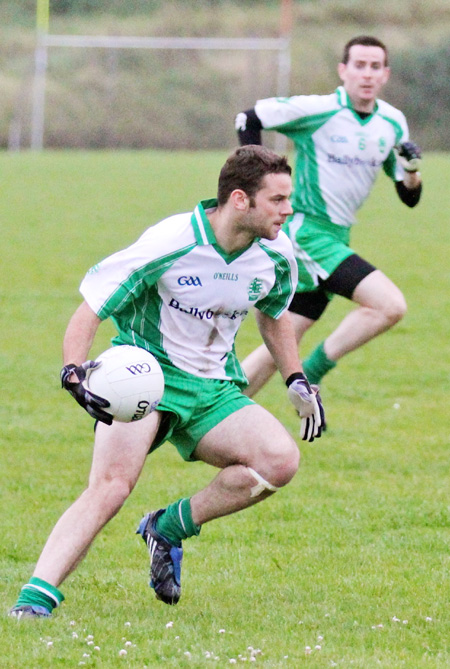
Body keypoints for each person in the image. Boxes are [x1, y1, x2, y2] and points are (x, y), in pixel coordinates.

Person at [9, 145, 324, 618]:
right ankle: (35, 599)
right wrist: (73, 372)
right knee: (112, 486)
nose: (288, 209)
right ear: (240, 199)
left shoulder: (276, 253)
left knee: (278, 461)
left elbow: (274, 315)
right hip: (145, 377)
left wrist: (296, 376)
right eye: (277, 199)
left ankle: (169, 526)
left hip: (213, 388)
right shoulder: (172, 241)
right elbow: (93, 305)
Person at [235, 35, 422, 395]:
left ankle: (216, 412)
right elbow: (248, 118)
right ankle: (315, 371)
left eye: (374, 67)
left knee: (282, 342)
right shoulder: (319, 110)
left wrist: (412, 172)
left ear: (385, 74)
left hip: (337, 236)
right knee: (390, 305)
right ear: (343, 71)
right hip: (306, 233)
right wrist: (257, 181)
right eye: (359, 65)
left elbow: (408, 196)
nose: (366, 74)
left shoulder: (393, 123)